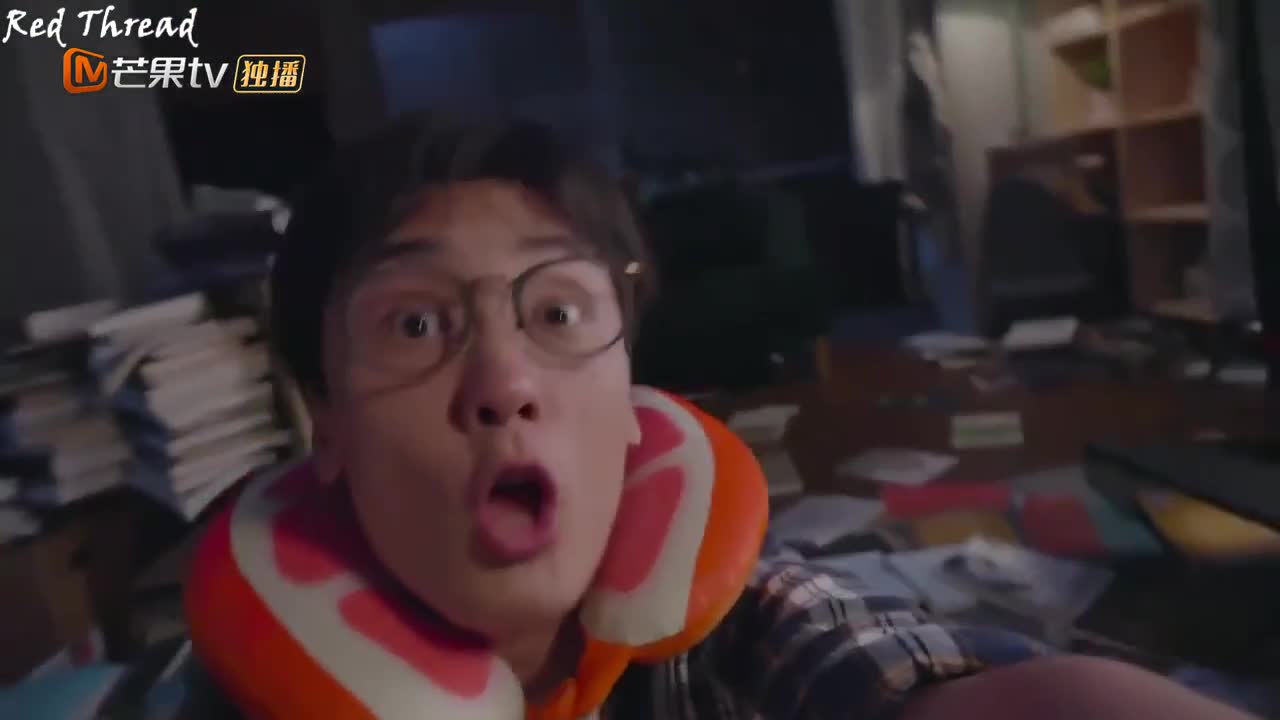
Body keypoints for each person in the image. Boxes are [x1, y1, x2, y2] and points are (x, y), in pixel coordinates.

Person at [231, 113, 1253, 719]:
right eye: (415, 323)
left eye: (557, 313)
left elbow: (942, 691)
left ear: (629, 393)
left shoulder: (743, 630)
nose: (505, 380)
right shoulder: (205, 692)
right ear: (325, 418)